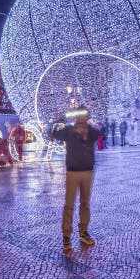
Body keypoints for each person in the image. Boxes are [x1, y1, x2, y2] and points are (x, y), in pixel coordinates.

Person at [51, 106, 101, 254]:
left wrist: (90, 126)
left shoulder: (91, 132)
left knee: (85, 204)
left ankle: (83, 232)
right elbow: (53, 134)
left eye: (84, 116)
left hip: (87, 171)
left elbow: (99, 133)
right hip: (73, 172)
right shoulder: (68, 131)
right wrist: (58, 120)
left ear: (87, 117)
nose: (81, 119)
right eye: (80, 116)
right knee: (69, 205)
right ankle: (66, 236)